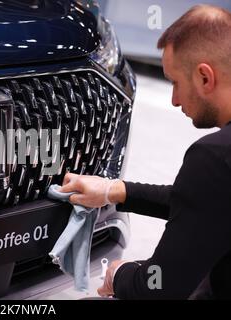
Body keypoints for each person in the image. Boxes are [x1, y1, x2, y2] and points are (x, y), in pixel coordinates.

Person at [60, 4, 231, 300]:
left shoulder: (213, 156)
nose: (175, 100)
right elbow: (205, 202)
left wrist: (120, 273)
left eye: (176, 83)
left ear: (205, 77)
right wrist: (116, 190)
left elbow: (159, 287)